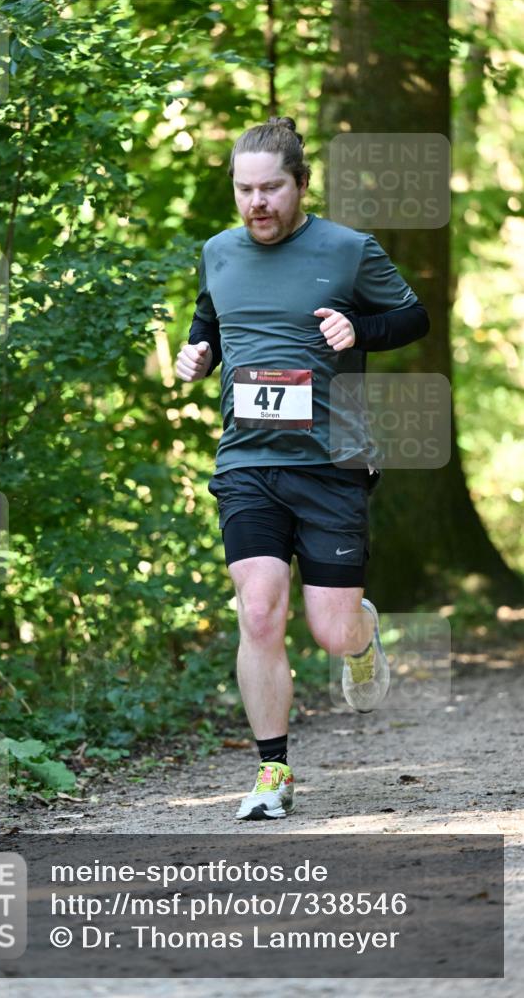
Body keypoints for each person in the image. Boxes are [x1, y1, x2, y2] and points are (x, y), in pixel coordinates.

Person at [176, 117, 429, 821]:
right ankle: (272, 771)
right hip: (247, 460)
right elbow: (210, 320)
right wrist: (197, 353)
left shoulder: (349, 250)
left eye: (270, 188)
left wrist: (360, 329)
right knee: (258, 609)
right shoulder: (217, 252)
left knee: (330, 631)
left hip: (332, 463)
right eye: (244, 190)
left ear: (301, 184)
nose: (256, 202)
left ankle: (359, 636)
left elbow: (412, 318)